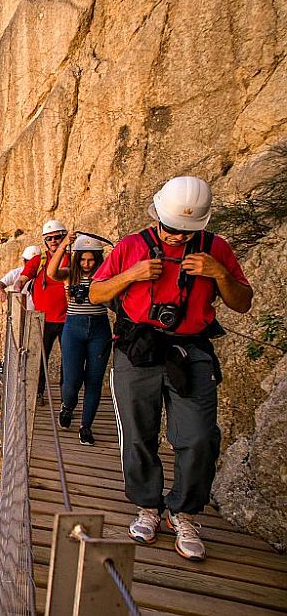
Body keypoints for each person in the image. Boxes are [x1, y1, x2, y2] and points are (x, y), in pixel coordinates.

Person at [89, 176, 252, 562]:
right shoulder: (132, 247)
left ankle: (185, 512)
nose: (176, 236)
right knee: (138, 432)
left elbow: (242, 302)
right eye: (170, 228)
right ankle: (148, 506)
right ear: (157, 216)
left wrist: (219, 274)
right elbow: (96, 292)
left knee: (198, 437)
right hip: (137, 349)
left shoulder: (216, 250)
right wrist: (132, 275)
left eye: (185, 231)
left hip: (189, 350)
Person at [46, 234, 110, 446]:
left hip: (99, 329)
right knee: (72, 380)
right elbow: (51, 272)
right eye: (82, 259)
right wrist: (64, 245)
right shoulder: (70, 275)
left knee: (94, 381)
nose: (86, 264)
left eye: (91, 260)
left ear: (98, 259)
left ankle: (86, 426)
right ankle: (68, 406)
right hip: (73, 328)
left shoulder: (105, 276)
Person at [18, 220, 70, 405]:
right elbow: (23, 278)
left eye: (58, 237)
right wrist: (17, 290)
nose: (54, 241)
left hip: (67, 318)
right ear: (45, 241)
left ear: (64, 238)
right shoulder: (39, 261)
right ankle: (38, 392)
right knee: (41, 358)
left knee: (68, 360)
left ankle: (66, 397)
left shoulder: (70, 258)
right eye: (50, 238)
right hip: (44, 318)